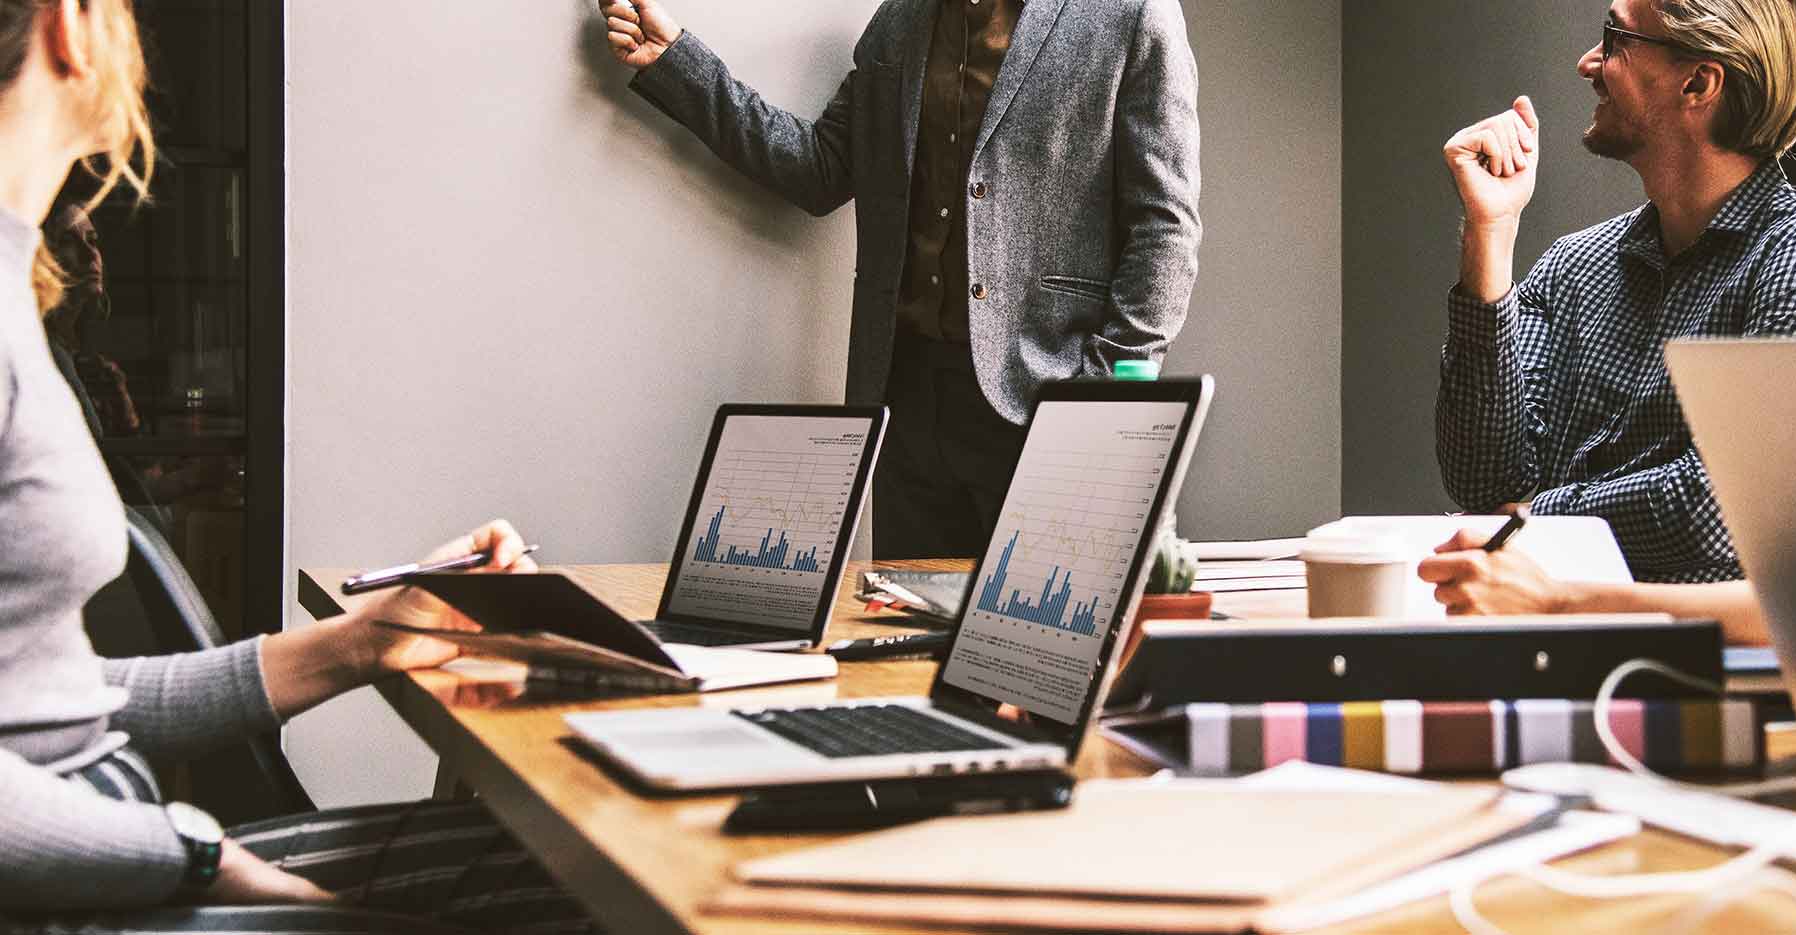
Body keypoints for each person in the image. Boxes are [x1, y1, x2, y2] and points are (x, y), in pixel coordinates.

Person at [0, 2, 597, 931]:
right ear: (70, 25)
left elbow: (54, 711)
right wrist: (203, 859)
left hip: (114, 863)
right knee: (607, 888)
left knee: (569, 863)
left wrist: (366, 639)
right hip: (88, 899)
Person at [1419, 0, 1796, 646]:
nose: (1588, 63)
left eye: (1615, 38)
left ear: (1698, 83)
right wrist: (1490, 235)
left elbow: (1725, 513)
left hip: (1705, 667)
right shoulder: (1573, 264)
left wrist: (1533, 518)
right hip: (1542, 648)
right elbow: (1481, 480)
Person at [596, 0, 1201, 559]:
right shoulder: (901, 18)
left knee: (1037, 632)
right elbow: (820, 168)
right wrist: (677, 62)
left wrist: (1099, 394)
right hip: (903, 402)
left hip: (1043, 400)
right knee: (903, 629)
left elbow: (1165, 225)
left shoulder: (1131, 14)